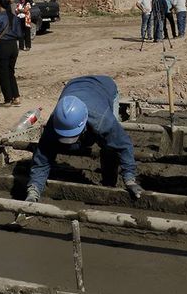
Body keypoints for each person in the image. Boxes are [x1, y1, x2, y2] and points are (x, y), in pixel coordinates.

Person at [24, 75, 143, 203]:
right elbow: (43, 157)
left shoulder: (102, 119)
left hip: (104, 87)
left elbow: (123, 144)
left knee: (109, 147)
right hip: (73, 86)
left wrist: (129, 178)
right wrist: (33, 190)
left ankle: (109, 184)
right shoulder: (56, 121)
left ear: (84, 122)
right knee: (63, 144)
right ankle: (82, 142)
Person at [0, 0, 22, 107]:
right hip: (13, 46)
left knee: (3, 73)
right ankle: (16, 97)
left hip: (2, 46)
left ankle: (8, 99)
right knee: (10, 72)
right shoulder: (15, 17)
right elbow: (19, 34)